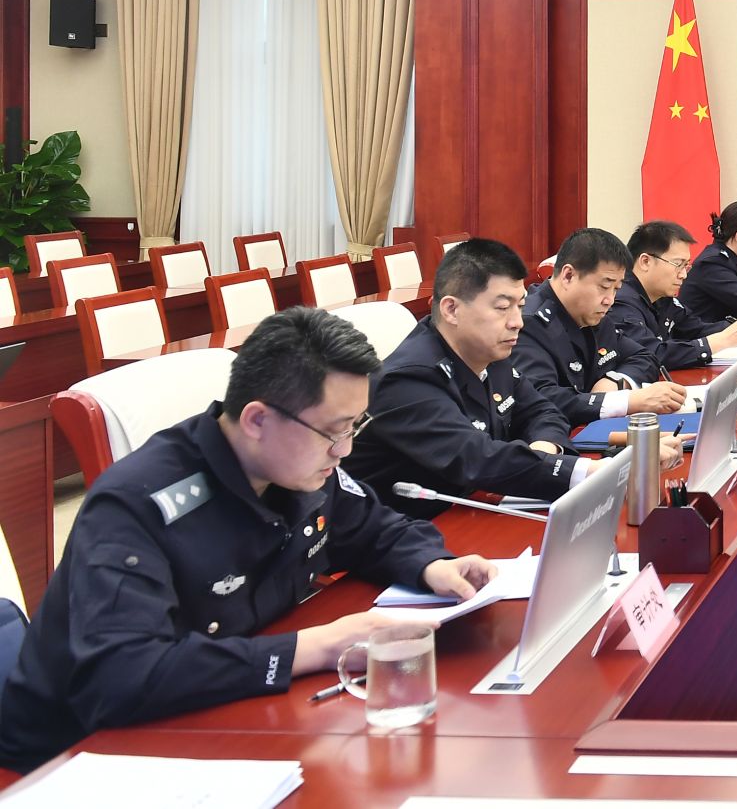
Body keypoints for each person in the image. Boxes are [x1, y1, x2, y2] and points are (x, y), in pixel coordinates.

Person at [0, 307, 497, 772]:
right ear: (258, 419)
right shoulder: (137, 505)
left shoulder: (297, 466)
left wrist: (432, 564)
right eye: (334, 431)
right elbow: (121, 675)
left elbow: (373, 529)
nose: (345, 450)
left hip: (221, 709)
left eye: (354, 427)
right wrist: (318, 647)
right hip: (78, 755)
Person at [347, 238, 680, 517]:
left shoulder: (490, 352)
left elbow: (543, 410)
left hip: (476, 510)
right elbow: (477, 458)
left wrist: (544, 450)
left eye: (520, 306)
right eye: (502, 307)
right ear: (451, 310)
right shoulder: (408, 379)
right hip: (407, 532)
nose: (517, 321)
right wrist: (599, 472)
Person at [511, 227, 688, 425]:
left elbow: (644, 356)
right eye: (604, 286)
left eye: (616, 289)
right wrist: (627, 401)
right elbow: (543, 398)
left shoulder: (593, 314)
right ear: (568, 276)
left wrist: (616, 381)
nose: (609, 300)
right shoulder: (528, 324)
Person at [613, 220, 737, 372]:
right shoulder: (620, 301)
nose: (684, 275)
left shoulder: (663, 297)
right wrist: (722, 340)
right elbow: (651, 354)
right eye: (678, 264)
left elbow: (695, 329)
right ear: (645, 261)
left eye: (686, 266)